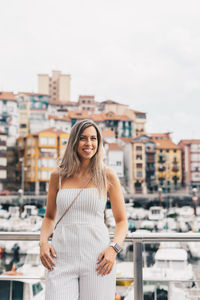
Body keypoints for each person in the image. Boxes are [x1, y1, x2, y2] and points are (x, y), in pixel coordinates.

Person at [40, 119, 128, 300]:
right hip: (61, 257)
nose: (89, 144)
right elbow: (49, 217)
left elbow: (122, 221)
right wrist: (42, 243)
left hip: (98, 259)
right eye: (83, 138)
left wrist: (114, 249)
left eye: (93, 138)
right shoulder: (57, 176)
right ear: (74, 141)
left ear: (99, 142)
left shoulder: (107, 175)